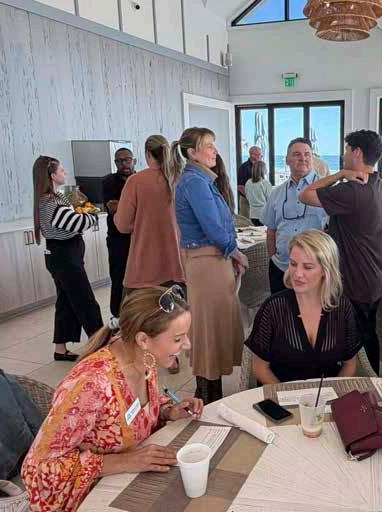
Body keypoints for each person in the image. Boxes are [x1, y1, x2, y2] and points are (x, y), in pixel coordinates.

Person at [22, 287, 203, 512]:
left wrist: (167, 410)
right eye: (178, 339)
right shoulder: (91, 385)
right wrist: (120, 462)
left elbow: (131, 409)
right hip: (91, 503)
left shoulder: (144, 358)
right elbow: (38, 470)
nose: (187, 345)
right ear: (143, 340)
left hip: (134, 481)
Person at [299, 129, 382, 372]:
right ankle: (370, 381)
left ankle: (362, 384)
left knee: (354, 343)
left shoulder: (353, 190)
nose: (343, 155)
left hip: (354, 280)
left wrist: (340, 174)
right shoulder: (380, 186)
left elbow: (305, 194)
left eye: (346, 150)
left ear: (357, 152)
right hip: (373, 277)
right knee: (368, 336)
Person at [175, 127, 247, 404]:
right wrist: (235, 253)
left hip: (212, 261)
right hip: (208, 262)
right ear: (192, 153)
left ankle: (210, 392)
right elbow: (214, 227)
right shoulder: (195, 182)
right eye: (208, 145)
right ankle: (207, 396)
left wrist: (231, 253)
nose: (214, 150)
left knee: (213, 328)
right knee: (208, 329)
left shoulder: (201, 180)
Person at [245, 230, 361, 383]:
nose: (297, 274)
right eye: (293, 264)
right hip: (280, 392)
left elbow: (350, 365)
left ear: (325, 271)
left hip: (327, 394)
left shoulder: (342, 308)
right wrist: (288, 395)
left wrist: (334, 392)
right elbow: (260, 368)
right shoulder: (273, 308)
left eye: (307, 267)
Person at [33, 156, 103, 362]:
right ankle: (101, 347)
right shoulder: (52, 202)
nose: (65, 172)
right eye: (61, 170)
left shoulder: (50, 199)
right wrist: (92, 215)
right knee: (86, 303)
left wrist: (83, 211)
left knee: (65, 302)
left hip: (61, 256)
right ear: (52, 175)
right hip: (65, 258)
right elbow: (76, 223)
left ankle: (60, 349)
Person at [115, 135, 184, 297]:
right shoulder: (179, 179)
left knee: (138, 312)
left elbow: (122, 226)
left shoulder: (135, 181)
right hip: (179, 263)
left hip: (145, 266)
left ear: (147, 154)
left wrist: (141, 222)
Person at [262, 137, 328, 295]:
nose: (303, 158)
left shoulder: (327, 191)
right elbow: (271, 231)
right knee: (279, 309)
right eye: (297, 154)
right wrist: (273, 258)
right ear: (287, 160)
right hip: (281, 268)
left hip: (315, 270)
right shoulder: (276, 193)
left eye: (307, 154)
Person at [102, 147, 135, 319]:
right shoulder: (109, 182)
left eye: (127, 160)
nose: (124, 164)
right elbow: (113, 207)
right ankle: (117, 317)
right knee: (118, 278)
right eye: (119, 161)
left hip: (138, 239)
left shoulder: (140, 180)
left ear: (134, 161)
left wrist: (125, 206)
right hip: (118, 240)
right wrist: (136, 207)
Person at [245, 160, 272, 226]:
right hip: (264, 213)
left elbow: (247, 196)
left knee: (256, 231)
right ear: (262, 170)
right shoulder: (265, 183)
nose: (266, 170)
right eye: (265, 168)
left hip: (252, 213)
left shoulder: (248, 182)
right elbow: (270, 200)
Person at [237, 146, 263, 218]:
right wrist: (251, 197)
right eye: (260, 155)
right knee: (247, 222)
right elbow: (240, 186)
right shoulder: (244, 167)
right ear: (253, 155)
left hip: (257, 201)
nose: (261, 157)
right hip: (246, 201)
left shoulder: (260, 167)